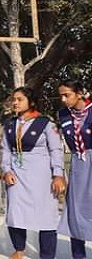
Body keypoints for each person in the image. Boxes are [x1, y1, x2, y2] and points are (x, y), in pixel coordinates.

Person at [0, 87, 65, 259]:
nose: (15, 102)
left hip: (41, 176)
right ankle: (19, 249)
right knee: (15, 213)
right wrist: (6, 170)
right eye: (14, 99)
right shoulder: (9, 125)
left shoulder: (46, 124)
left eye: (20, 99)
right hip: (16, 175)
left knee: (47, 216)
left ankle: (47, 255)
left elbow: (56, 150)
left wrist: (58, 174)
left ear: (31, 102)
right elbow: (5, 150)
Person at [57, 79, 92, 259]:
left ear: (79, 93)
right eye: (61, 95)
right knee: (75, 210)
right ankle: (78, 255)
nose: (63, 99)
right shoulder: (63, 114)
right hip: (79, 165)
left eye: (67, 95)